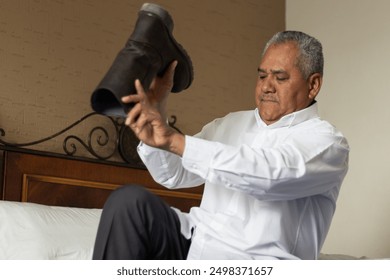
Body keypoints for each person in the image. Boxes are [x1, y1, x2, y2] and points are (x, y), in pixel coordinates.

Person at [92, 31, 349, 260]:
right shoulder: (230, 123)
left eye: (280, 78)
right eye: (262, 75)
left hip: (256, 264)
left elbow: (269, 176)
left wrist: (174, 139)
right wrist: (155, 130)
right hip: (193, 245)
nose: (267, 86)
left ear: (313, 85)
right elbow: (173, 174)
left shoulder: (327, 144)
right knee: (129, 202)